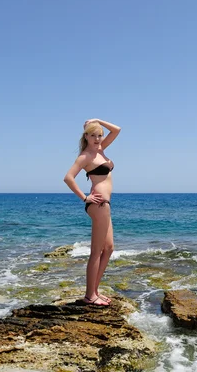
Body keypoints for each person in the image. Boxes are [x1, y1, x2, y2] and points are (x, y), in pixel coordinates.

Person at [63, 118, 121, 306]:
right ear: (86, 136)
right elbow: (68, 178)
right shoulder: (86, 155)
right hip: (98, 204)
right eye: (93, 135)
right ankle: (90, 296)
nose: (97, 138)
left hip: (105, 204)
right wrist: (85, 197)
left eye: (99, 135)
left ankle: (95, 291)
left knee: (109, 248)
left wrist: (97, 121)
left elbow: (117, 130)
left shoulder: (101, 150)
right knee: (96, 251)